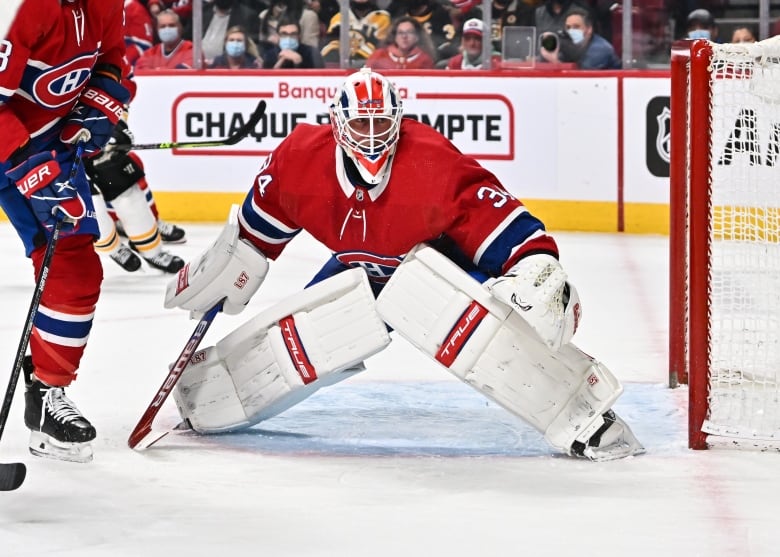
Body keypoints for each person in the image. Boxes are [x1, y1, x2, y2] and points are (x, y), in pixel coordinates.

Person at [163, 68, 645, 462]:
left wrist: (537, 267)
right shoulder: (299, 161)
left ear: (398, 121)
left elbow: (506, 225)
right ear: (336, 124)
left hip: (435, 263)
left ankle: (581, 414)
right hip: (361, 271)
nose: (372, 137)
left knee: (463, 322)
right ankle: (206, 399)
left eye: (380, 124)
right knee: (310, 332)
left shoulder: (433, 163)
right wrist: (230, 267)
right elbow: (254, 233)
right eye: (360, 125)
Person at [0, 0, 130, 462]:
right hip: (15, 145)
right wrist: (29, 163)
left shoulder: (105, 4)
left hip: (44, 149)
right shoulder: (17, 10)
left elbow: (113, 59)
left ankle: (46, 398)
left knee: (73, 271)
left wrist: (96, 111)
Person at [86, 120, 186, 273]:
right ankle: (114, 250)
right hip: (62, 158)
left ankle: (152, 252)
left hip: (94, 146)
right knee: (92, 210)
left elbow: (108, 100)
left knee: (130, 198)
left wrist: (113, 128)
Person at [540, 7, 620, 69]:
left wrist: (555, 62)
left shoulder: (601, 49)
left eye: (576, 27)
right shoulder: (568, 44)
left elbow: (580, 76)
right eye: (568, 27)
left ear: (589, 29)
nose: (571, 31)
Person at [184, 0, 260, 64]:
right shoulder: (202, 11)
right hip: (198, 65)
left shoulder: (248, 15)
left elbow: (251, 46)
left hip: (228, 66)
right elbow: (188, 38)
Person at [320, 0, 391, 68]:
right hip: (340, 65)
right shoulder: (339, 17)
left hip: (371, 67)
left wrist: (355, 61)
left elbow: (380, 46)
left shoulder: (382, 18)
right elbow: (330, 45)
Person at [135, 10, 203, 69]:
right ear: (157, 30)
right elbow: (141, 70)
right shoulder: (151, 53)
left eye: (171, 25)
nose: (167, 29)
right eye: (162, 26)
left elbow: (182, 72)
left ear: (180, 28)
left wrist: (157, 71)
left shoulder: (192, 49)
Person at [364, 16, 436, 70]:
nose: (404, 36)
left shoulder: (425, 59)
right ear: (394, 36)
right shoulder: (379, 55)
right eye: (400, 33)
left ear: (416, 37)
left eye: (409, 32)